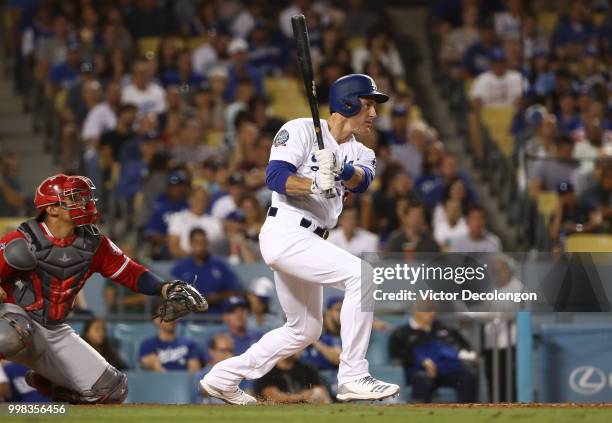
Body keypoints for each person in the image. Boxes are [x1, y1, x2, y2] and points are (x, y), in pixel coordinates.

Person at [200, 73, 400, 404]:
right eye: (367, 105)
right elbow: (275, 177)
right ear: (347, 103)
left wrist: (339, 168)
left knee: (304, 330)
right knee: (362, 275)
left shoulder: (362, 151)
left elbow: (362, 182)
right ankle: (352, 375)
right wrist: (313, 184)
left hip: (313, 240)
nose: (373, 114)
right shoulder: (301, 129)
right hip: (286, 230)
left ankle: (223, 377)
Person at [0, 174, 206, 403]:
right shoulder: (20, 240)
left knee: (111, 391)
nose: (86, 202)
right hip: (15, 319)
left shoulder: (95, 244)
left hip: (54, 328)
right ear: (52, 209)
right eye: (75, 198)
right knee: (7, 335)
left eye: (84, 196)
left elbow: (131, 272)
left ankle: (53, 383)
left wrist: (165, 287)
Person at [389, 306, 478, 403]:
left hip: (447, 371)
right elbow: (397, 355)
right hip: (419, 372)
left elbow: (463, 346)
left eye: (433, 310)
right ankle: (419, 414)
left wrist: (471, 355)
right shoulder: (402, 333)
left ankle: (465, 414)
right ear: (416, 311)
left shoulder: (445, 329)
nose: (431, 313)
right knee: (421, 379)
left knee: (468, 377)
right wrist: (421, 362)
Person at [171, 228, 242, 316]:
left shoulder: (220, 265)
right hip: (189, 320)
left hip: (218, 318)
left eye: (203, 242)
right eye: (197, 242)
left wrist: (217, 297)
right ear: (190, 243)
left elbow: (235, 291)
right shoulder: (180, 268)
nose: (201, 246)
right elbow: (172, 295)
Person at [167, 186, 224, 258]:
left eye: (203, 199)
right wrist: (194, 260)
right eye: (196, 198)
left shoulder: (215, 222)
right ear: (190, 199)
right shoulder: (178, 218)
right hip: (184, 261)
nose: (199, 202)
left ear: (207, 202)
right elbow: (174, 247)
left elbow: (219, 248)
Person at [254, 353, 331, 404]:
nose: (299, 348)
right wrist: (303, 397)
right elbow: (274, 398)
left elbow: (322, 394)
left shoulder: (307, 368)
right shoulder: (267, 370)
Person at [192, 334, 235, 404]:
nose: (228, 355)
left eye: (230, 350)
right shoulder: (201, 376)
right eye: (223, 350)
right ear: (211, 352)